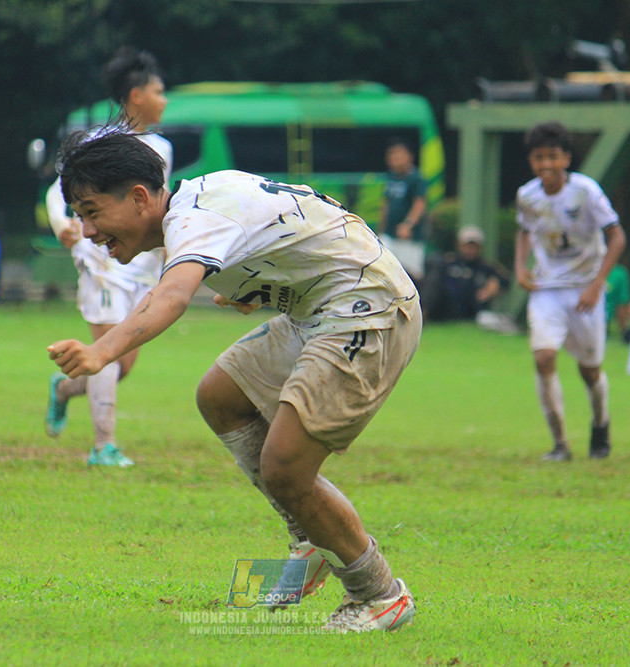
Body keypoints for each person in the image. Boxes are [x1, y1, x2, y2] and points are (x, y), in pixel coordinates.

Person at [47, 127, 420, 633]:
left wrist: (100, 351)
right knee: (220, 396)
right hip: (319, 307)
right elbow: (293, 230)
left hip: (366, 309)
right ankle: (310, 541)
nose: (89, 231)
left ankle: (380, 595)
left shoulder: (194, 218)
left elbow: (170, 298)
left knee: (285, 466)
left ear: (139, 197)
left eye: (92, 212)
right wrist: (251, 287)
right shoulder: (198, 203)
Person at [44, 47, 172, 468]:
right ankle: (104, 447)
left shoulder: (162, 149)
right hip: (99, 255)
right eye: (159, 90)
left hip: (142, 262)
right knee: (107, 351)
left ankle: (64, 390)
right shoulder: (102, 142)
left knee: (121, 361)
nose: (164, 99)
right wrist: (61, 223)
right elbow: (55, 189)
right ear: (137, 96)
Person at [514, 121, 626, 461]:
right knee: (544, 356)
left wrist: (596, 284)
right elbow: (523, 231)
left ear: (566, 158)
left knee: (589, 369)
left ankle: (601, 423)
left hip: (584, 289)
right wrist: (521, 266)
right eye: (538, 158)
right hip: (547, 288)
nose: (545, 164)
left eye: (552, 156)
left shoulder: (585, 191)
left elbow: (617, 237)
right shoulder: (527, 195)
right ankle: (560, 443)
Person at [421, 225, 511, 323]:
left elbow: (505, 279)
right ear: (459, 245)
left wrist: (493, 286)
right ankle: (423, 313)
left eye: (474, 246)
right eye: (467, 245)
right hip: (445, 307)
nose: (470, 249)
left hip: (471, 308)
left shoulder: (486, 267)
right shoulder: (448, 262)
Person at [378, 139, 428, 281]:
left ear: (409, 157)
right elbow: (386, 204)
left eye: (399, 155)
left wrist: (408, 224)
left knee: (410, 275)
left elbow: (419, 204)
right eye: (392, 156)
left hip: (409, 237)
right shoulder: (391, 177)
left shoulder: (416, 178)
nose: (395, 159)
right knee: (383, 267)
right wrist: (381, 228)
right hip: (390, 234)